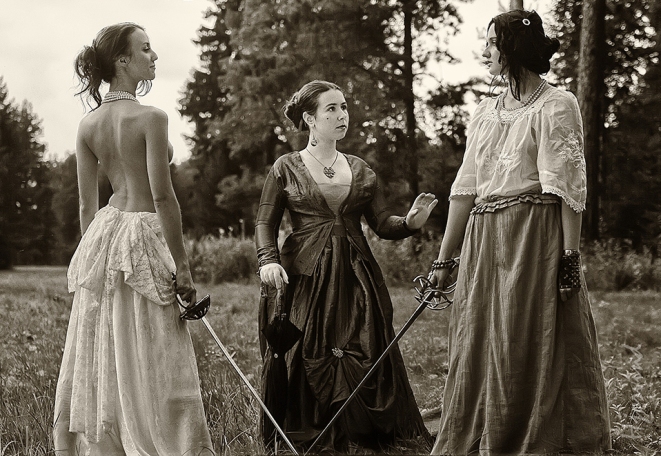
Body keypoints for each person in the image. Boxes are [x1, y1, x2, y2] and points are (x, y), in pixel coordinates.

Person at [429, 10, 611, 455]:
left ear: (512, 48)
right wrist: (444, 259)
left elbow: (568, 188)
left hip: (534, 236)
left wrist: (570, 258)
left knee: (526, 335)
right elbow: (464, 190)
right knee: (479, 337)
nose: (485, 52)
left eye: (492, 42)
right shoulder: (484, 111)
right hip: (483, 238)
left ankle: (533, 434)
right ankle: (483, 429)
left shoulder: (557, 104)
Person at [53, 23, 214, 455]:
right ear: (122, 61)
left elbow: (86, 205)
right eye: (145, 49)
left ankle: (110, 442)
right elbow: (163, 197)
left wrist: (96, 256)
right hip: (142, 230)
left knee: (109, 340)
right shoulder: (151, 118)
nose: (154, 56)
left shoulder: (88, 124)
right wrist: (183, 266)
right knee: (157, 345)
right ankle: (164, 441)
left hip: (105, 232)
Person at [255, 80, 437, 452]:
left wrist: (409, 223)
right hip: (305, 275)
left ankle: (364, 430)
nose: (342, 115)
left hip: (356, 274)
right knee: (307, 348)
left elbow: (382, 223)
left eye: (344, 107)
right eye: (332, 109)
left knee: (364, 342)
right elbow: (264, 223)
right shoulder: (285, 167)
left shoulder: (361, 168)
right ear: (310, 118)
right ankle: (310, 427)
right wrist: (267, 261)